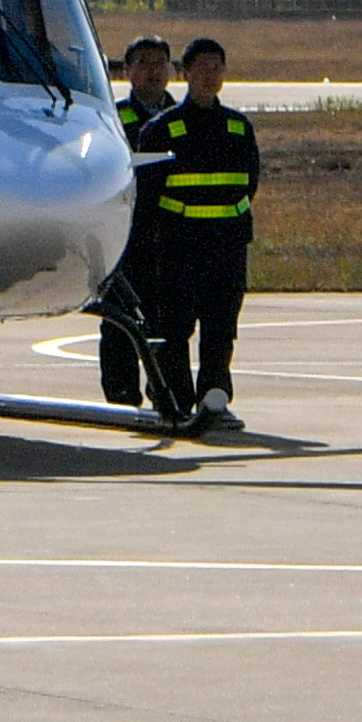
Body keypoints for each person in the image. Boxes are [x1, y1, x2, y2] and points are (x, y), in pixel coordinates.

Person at [138, 35, 262, 437]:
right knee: (174, 329)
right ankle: (174, 401)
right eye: (202, 68)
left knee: (220, 329)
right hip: (179, 248)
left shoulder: (238, 128)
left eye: (216, 67)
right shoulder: (162, 130)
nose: (210, 75)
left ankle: (215, 400)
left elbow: (249, 183)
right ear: (185, 74)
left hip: (227, 248)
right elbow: (147, 194)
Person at [92, 33, 175, 410]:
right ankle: (121, 395)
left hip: (171, 236)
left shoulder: (182, 118)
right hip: (125, 237)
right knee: (120, 318)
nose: (153, 72)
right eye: (143, 64)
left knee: (169, 321)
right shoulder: (111, 120)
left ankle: (168, 392)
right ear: (126, 71)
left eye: (160, 64)